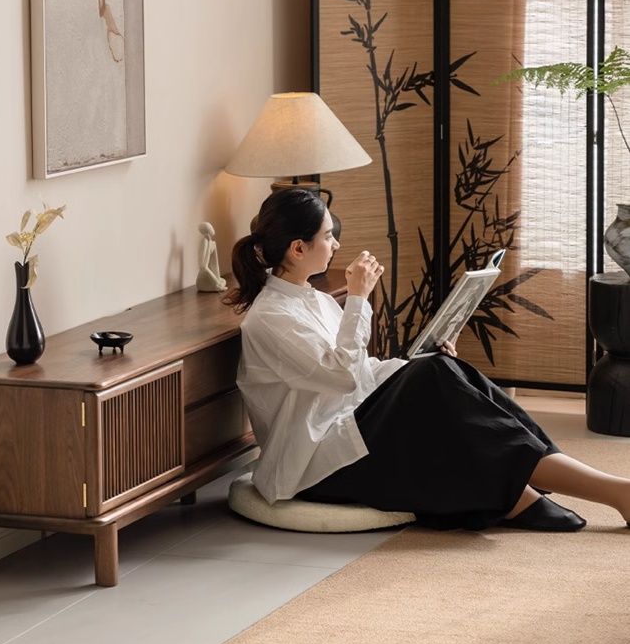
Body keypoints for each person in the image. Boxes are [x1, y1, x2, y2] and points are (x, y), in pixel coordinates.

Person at [224, 188, 630, 533]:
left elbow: (362, 372)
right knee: (434, 377)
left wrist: (414, 363)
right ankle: (576, 490)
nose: (336, 245)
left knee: (442, 369)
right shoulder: (271, 318)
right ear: (298, 248)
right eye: (329, 236)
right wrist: (359, 298)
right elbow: (343, 378)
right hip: (314, 464)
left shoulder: (314, 300)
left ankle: (560, 487)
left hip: (347, 431)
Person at [196, 221, 227, 293]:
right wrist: (216, 283)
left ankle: (217, 284)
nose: (212, 228)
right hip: (204, 278)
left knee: (223, 280)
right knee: (220, 283)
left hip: (212, 278)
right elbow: (203, 267)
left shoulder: (212, 243)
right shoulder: (204, 242)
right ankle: (216, 285)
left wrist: (217, 279)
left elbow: (215, 264)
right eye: (210, 227)